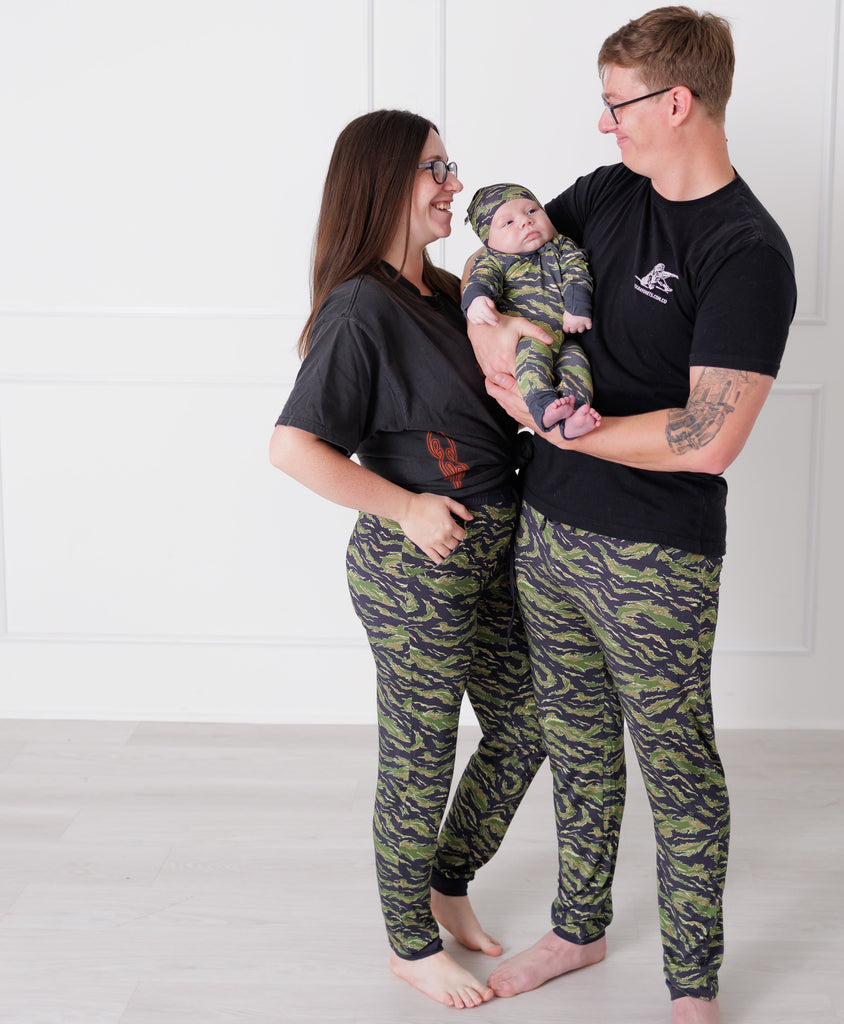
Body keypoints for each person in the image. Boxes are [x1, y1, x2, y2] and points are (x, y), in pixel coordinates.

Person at [466, 8, 797, 1023]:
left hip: (655, 557)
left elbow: (707, 435)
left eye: (617, 105)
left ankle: (691, 988)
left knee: (676, 761)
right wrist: (495, 331)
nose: (604, 125)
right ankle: (577, 926)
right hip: (548, 530)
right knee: (576, 741)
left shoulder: (746, 250)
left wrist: (560, 425)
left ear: (677, 102)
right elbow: (502, 261)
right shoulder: (605, 195)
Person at [269, 109, 548, 1011]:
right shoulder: (360, 308)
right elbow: (293, 447)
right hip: (415, 568)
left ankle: (446, 880)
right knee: (420, 753)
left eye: (450, 165)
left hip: (492, 555)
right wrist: (405, 506)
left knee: (529, 722)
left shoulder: (436, 290)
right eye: (435, 168)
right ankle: (407, 943)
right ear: (384, 180)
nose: (454, 184)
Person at [462, 183, 601, 439]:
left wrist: (577, 307)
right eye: (508, 222)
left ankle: (576, 416)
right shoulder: (494, 260)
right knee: (531, 360)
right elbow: (481, 279)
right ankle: (543, 405)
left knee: (577, 364)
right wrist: (477, 301)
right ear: (488, 240)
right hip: (528, 337)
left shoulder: (562, 246)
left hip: (564, 339)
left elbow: (577, 271)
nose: (526, 222)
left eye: (532, 211)